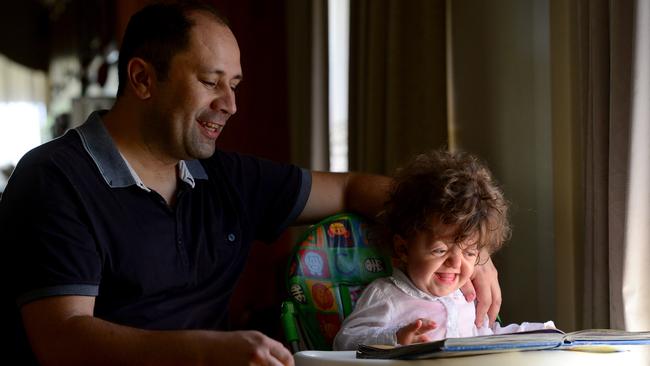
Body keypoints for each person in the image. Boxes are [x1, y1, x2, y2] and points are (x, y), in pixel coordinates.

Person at [1, 2, 500, 365]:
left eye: (234, 85)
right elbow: (63, 340)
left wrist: (461, 242)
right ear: (142, 79)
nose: (230, 105)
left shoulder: (227, 177)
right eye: (210, 81)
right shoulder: (54, 180)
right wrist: (209, 351)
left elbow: (353, 189)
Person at [333, 150, 554, 350]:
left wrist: (535, 335)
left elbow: (483, 337)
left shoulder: (466, 298)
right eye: (439, 251)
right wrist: (395, 339)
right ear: (402, 248)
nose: (456, 264)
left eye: (469, 253)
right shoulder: (387, 295)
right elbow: (345, 341)